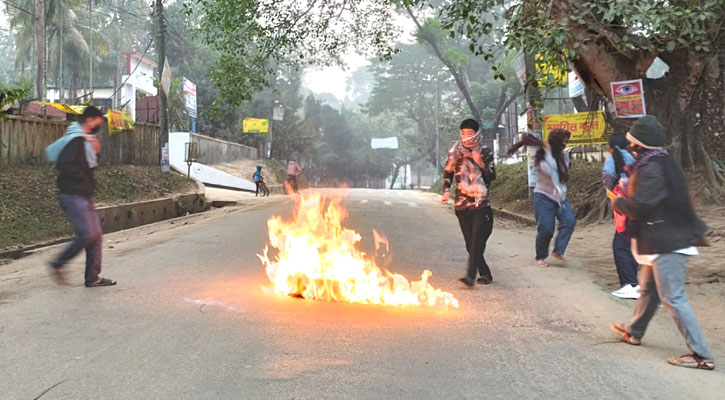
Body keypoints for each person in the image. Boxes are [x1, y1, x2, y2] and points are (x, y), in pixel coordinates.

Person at [610, 116, 714, 370]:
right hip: (663, 239)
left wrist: (619, 202)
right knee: (650, 290)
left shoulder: (651, 167)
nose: (629, 148)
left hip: (668, 241)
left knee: (673, 297)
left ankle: (702, 355)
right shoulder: (660, 162)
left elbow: (643, 203)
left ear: (639, 145)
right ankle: (634, 330)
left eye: (632, 143)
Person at [45, 106, 116, 287]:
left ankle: (93, 278)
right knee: (87, 233)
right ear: (90, 120)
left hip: (83, 194)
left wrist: (96, 152)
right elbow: (64, 164)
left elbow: (90, 165)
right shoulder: (77, 140)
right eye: (98, 122)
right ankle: (58, 263)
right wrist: (82, 178)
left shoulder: (87, 141)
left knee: (95, 236)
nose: (99, 126)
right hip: (72, 194)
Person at [441, 119, 496, 287]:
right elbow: (448, 172)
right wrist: (446, 190)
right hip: (461, 204)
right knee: (469, 245)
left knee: (476, 242)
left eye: (469, 133)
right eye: (463, 133)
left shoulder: (485, 151)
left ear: (477, 134)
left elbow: (492, 177)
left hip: (481, 204)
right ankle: (485, 273)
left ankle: (470, 276)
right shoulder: (454, 152)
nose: (466, 137)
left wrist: (479, 161)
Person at [508, 129, 575, 268]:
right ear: (557, 142)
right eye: (564, 141)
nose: (565, 144)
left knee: (569, 221)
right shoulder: (542, 156)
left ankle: (558, 251)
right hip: (543, 196)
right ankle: (540, 256)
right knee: (546, 228)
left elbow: (565, 174)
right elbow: (548, 171)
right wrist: (547, 150)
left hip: (559, 197)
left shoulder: (563, 157)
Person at [602, 134, 640, 299]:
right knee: (631, 244)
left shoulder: (611, 161)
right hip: (639, 206)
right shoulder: (635, 159)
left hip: (624, 208)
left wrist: (611, 194)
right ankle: (634, 283)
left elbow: (608, 177)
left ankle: (629, 284)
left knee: (620, 246)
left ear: (610, 147)